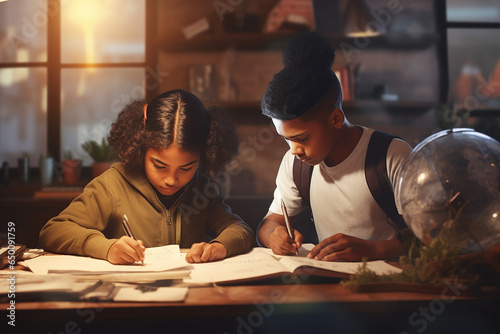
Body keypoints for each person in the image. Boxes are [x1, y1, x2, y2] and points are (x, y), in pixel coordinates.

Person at [40, 89, 255, 264]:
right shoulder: (112, 184)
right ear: (140, 149)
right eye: (159, 166)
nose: (171, 179)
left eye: (186, 168)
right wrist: (107, 248)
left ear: (204, 157)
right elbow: (53, 231)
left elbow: (240, 230)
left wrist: (219, 247)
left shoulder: (201, 188)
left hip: (189, 302)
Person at [256, 31, 413, 261]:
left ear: (336, 119)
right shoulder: (295, 164)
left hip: (390, 285)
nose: (293, 150)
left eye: (302, 138)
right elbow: (268, 224)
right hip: (328, 282)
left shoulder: (391, 156)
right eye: (286, 139)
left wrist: (375, 250)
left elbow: (437, 236)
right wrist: (274, 236)